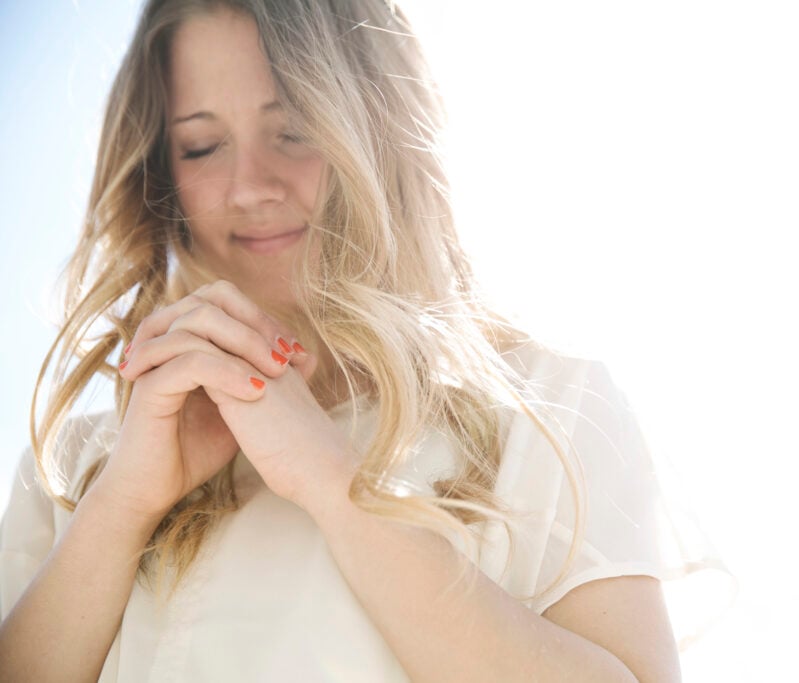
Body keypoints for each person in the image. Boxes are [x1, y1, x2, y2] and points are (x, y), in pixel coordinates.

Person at [0, 1, 733, 680]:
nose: (249, 185)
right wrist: (123, 503)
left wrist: (333, 482)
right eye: (200, 146)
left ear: (381, 126)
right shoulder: (79, 467)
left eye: (294, 130)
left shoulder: (548, 407)